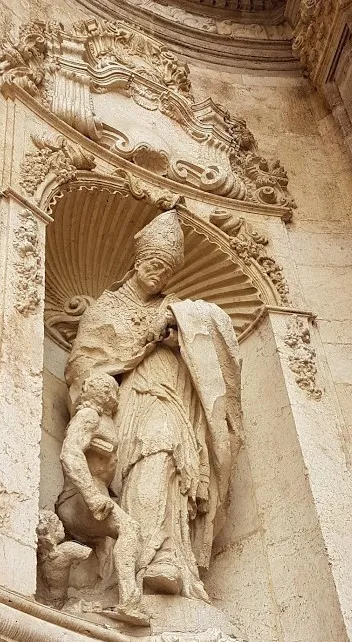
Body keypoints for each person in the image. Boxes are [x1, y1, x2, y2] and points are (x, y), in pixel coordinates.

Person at [65, 210, 243, 602]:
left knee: (171, 464)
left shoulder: (174, 307)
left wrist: (178, 327)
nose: (159, 276)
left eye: (166, 272)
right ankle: (143, 557)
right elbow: (82, 364)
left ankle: (169, 555)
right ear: (138, 262)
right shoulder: (107, 308)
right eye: (154, 266)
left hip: (173, 399)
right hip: (133, 398)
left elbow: (210, 345)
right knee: (150, 455)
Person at [57, 373, 148, 625]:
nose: (112, 394)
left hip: (92, 497)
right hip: (80, 499)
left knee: (110, 556)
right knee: (130, 529)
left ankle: (93, 598)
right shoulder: (89, 416)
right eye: (107, 389)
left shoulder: (101, 419)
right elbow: (70, 453)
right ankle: (130, 601)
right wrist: (92, 496)